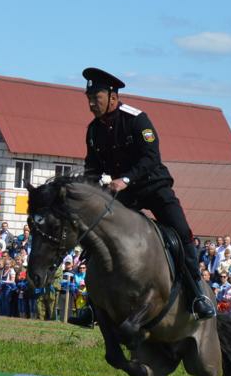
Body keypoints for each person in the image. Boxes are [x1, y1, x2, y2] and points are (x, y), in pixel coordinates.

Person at [79, 67, 215, 319]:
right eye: (88, 98)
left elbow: (151, 158)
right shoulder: (93, 130)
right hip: (124, 195)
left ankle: (197, 294)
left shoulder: (137, 119)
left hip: (153, 186)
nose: (90, 104)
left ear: (112, 96)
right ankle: (92, 303)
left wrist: (126, 180)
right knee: (96, 233)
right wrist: (90, 186)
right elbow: (92, 166)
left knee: (182, 232)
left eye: (95, 98)